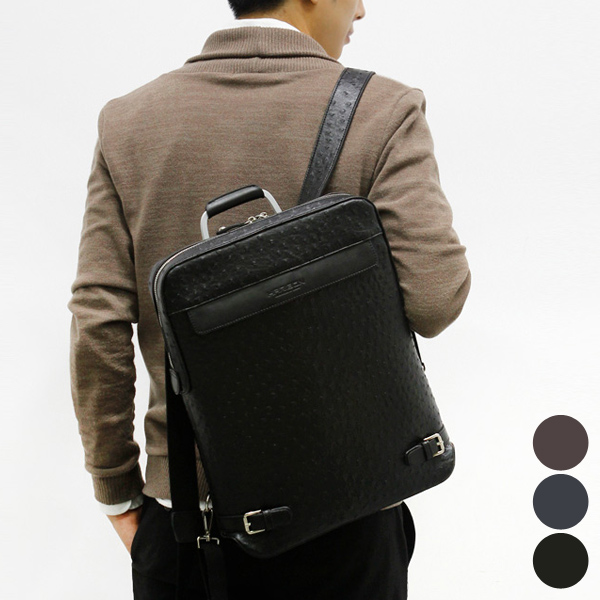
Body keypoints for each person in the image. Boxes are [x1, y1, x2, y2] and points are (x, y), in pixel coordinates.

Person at [68, 0, 471, 598]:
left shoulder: (129, 122)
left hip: (192, 523)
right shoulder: (384, 109)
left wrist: (118, 493)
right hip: (349, 508)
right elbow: (436, 299)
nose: (362, 9)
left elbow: (97, 321)